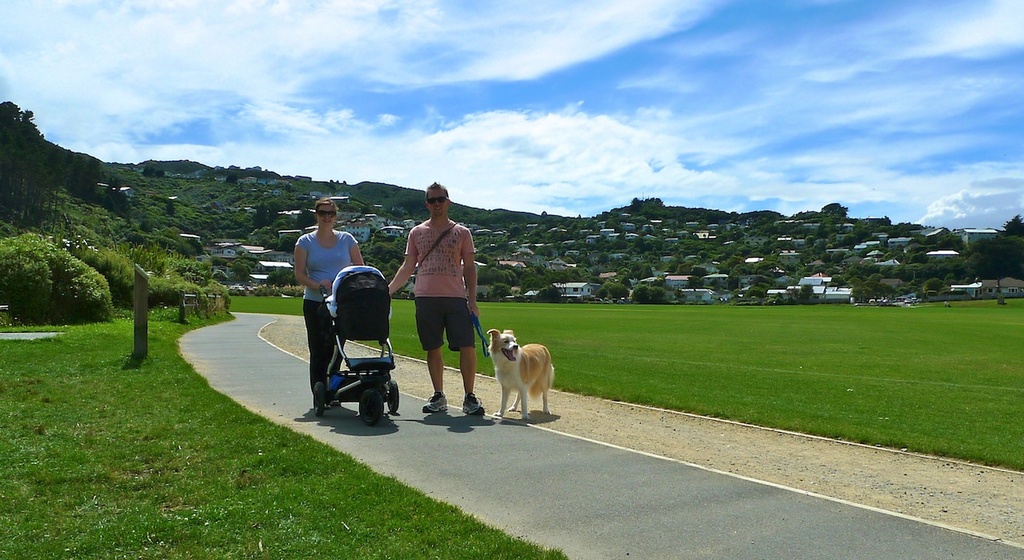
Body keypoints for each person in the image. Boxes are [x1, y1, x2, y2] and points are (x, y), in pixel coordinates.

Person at [388, 182, 483, 415]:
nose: (437, 204)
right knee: (432, 347)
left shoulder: (462, 232)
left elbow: (469, 267)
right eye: (432, 200)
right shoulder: (416, 232)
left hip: (456, 297)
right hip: (425, 296)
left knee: (467, 345)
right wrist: (387, 291)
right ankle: (439, 395)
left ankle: (469, 397)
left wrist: (472, 299)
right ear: (427, 204)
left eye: (440, 199)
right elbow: (408, 265)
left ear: (448, 202)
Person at [294, 197, 364, 407]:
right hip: (315, 301)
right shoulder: (305, 242)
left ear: (336, 216)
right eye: (322, 213)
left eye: (330, 213)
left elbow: (359, 268)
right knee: (318, 349)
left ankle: (333, 389)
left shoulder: (347, 239)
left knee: (336, 348)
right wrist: (317, 285)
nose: (326, 217)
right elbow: (299, 274)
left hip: (340, 303)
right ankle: (319, 393)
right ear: (316, 215)